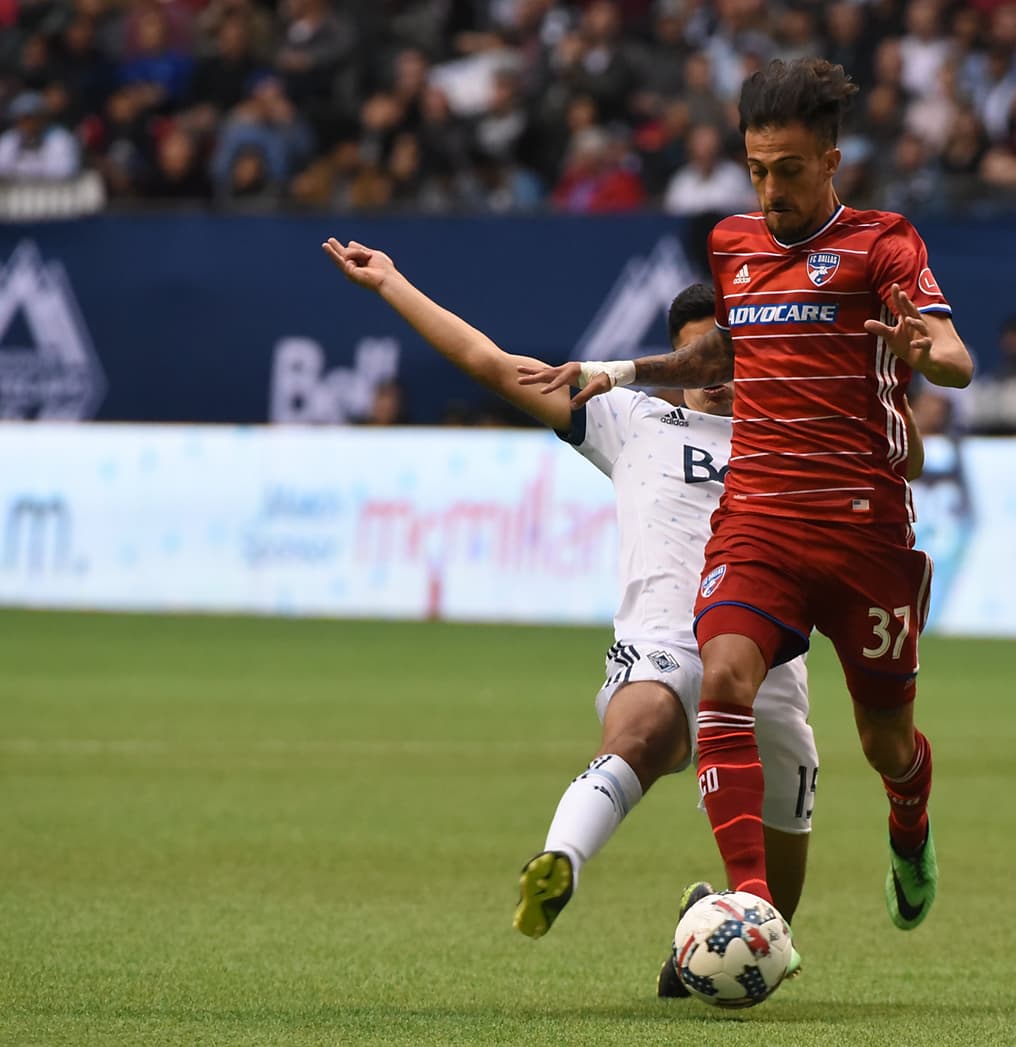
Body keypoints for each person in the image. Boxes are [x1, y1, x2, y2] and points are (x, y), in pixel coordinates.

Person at [321, 239, 923, 993]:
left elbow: (902, 460)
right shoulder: (629, 417)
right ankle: (560, 861)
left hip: (770, 661)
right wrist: (392, 284)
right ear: (674, 362)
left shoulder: (798, 435)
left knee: (771, 920)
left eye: (727, 356)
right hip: (665, 642)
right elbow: (489, 363)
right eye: (696, 359)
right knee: (643, 733)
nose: (715, 375)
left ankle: (696, 939)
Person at [519, 58, 972, 948]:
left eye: (789, 170)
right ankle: (750, 906)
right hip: (758, 517)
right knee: (722, 679)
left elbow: (953, 352)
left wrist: (929, 350)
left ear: (831, 160)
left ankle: (910, 821)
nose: (770, 190)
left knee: (886, 742)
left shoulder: (884, 245)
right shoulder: (732, 244)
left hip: (861, 528)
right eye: (756, 169)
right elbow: (726, 356)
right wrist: (621, 370)